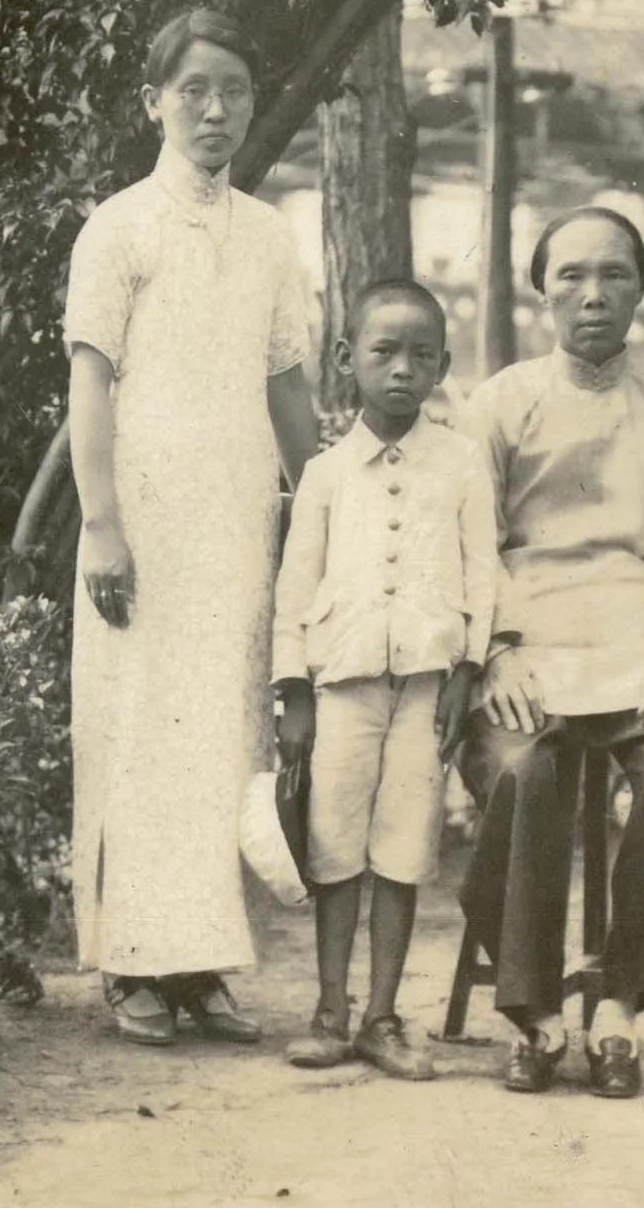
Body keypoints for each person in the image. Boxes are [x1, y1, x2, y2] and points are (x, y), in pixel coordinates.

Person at [454, 208, 644, 1099]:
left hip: (639, 643)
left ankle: (621, 1007)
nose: (593, 295)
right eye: (571, 276)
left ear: (640, 289)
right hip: (526, 641)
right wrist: (497, 650)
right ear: (541, 291)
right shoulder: (500, 403)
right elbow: (467, 540)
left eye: (615, 275)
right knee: (520, 768)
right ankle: (537, 1016)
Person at [65, 6, 320, 1046]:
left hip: (236, 519)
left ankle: (202, 962)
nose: (216, 111)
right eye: (194, 91)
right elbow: (90, 384)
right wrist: (101, 525)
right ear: (153, 103)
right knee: (139, 728)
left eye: (235, 92)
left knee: (222, 731)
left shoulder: (269, 235)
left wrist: (322, 513)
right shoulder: (118, 227)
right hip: (143, 517)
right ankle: (132, 961)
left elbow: (289, 388)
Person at [270, 279, 486, 1081]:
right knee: (334, 848)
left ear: (443, 367)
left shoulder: (462, 464)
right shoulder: (325, 473)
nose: (402, 369)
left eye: (421, 356)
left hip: (425, 689)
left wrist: (468, 669)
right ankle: (330, 1011)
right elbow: (295, 587)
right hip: (342, 686)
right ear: (345, 358)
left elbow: (482, 572)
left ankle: (382, 1017)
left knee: (404, 846)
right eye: (384, 352)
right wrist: (294, 692)